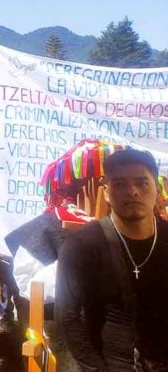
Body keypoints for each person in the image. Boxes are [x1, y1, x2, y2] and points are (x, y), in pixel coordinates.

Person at [57, 149, 168, 370]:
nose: (132, 192)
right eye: (120, 184)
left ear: (157, 189)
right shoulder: (82, 244)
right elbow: (68, 318)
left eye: (142, 183)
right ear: (106, 192)